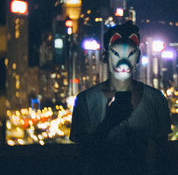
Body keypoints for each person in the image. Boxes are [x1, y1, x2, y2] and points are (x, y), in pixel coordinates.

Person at [70, 22, 171, 174]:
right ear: (106, 56)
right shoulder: (86, 100)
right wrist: (109, 123)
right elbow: (82, 155)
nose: (123, 62)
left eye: (130, 53)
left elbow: (163, 157)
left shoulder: (155, 99)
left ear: (137, 57)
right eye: (116, 54)